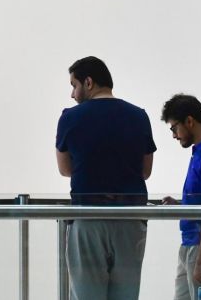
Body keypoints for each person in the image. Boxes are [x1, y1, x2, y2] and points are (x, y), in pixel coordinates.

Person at [55, 56, 155, 300]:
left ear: (88, 82)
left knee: (86, 294)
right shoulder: (138, 116)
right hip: (130, 218)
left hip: (87, 218)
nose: (72, 94)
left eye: (74, 85)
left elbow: (65, 169)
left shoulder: (70, 117)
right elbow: (145, 171)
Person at [161, 94, 201, 299]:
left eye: (174, 128)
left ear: (189, 121)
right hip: (191, 245)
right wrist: (181, 205)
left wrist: (200, 260)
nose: (174, 135)